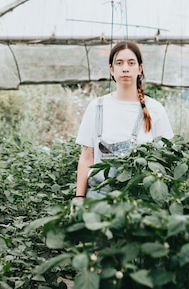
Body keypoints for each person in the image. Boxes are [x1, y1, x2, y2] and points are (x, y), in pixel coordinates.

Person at [73, 40, 174, 201]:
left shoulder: (155, 109)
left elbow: (166, 158)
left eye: (131, 63)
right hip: (98, 200)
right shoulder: (96, 107)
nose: (125, 68)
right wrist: (78, 197)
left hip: (139, 201)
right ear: (111, 70)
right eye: (119, 63)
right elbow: (86, 157)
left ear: (139, 68)